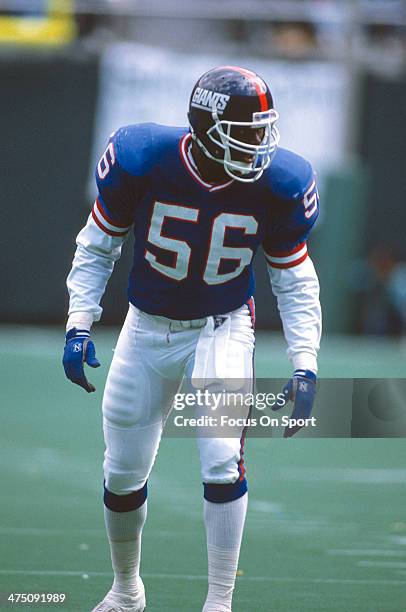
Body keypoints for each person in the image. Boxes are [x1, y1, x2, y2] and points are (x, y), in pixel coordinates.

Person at [63, 65, 321, 612]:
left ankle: (219, 603)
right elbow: (96, 245)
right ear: (206, 128)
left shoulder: (279, 184)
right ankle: (126, 590)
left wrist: (305, 363)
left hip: (222, 326)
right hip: (147, 325)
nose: (258, 144)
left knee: (221, 459)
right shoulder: (142, 158)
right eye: (246, 131)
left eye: (262, 130)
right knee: (122, 471)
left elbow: (294, 279)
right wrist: (78, 322)